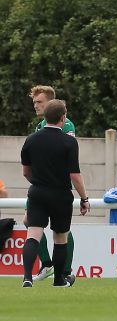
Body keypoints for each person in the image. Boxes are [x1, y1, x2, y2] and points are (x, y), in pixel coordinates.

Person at [20, 99, 90, 287]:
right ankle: (59, 280)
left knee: (33, 235)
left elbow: (26, 171)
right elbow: (74, 175)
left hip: (37, 192)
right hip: (61, 194)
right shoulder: (69, 142)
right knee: (60, 237)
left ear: (44, 117)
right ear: (63, 118)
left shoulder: (31, 139)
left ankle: (27, 277)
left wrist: (37, 184)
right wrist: (84, 198)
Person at [29, 85, 76, 282]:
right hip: (41, 185)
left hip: (57, 186)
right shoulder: (39, 127)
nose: (36, 106)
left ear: (50, 103)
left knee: (62, 230)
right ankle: (48, 264)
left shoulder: (66, 125)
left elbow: (68, 156)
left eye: (39, 102)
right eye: (34, 103)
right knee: (28, 221)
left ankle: (63, 270)